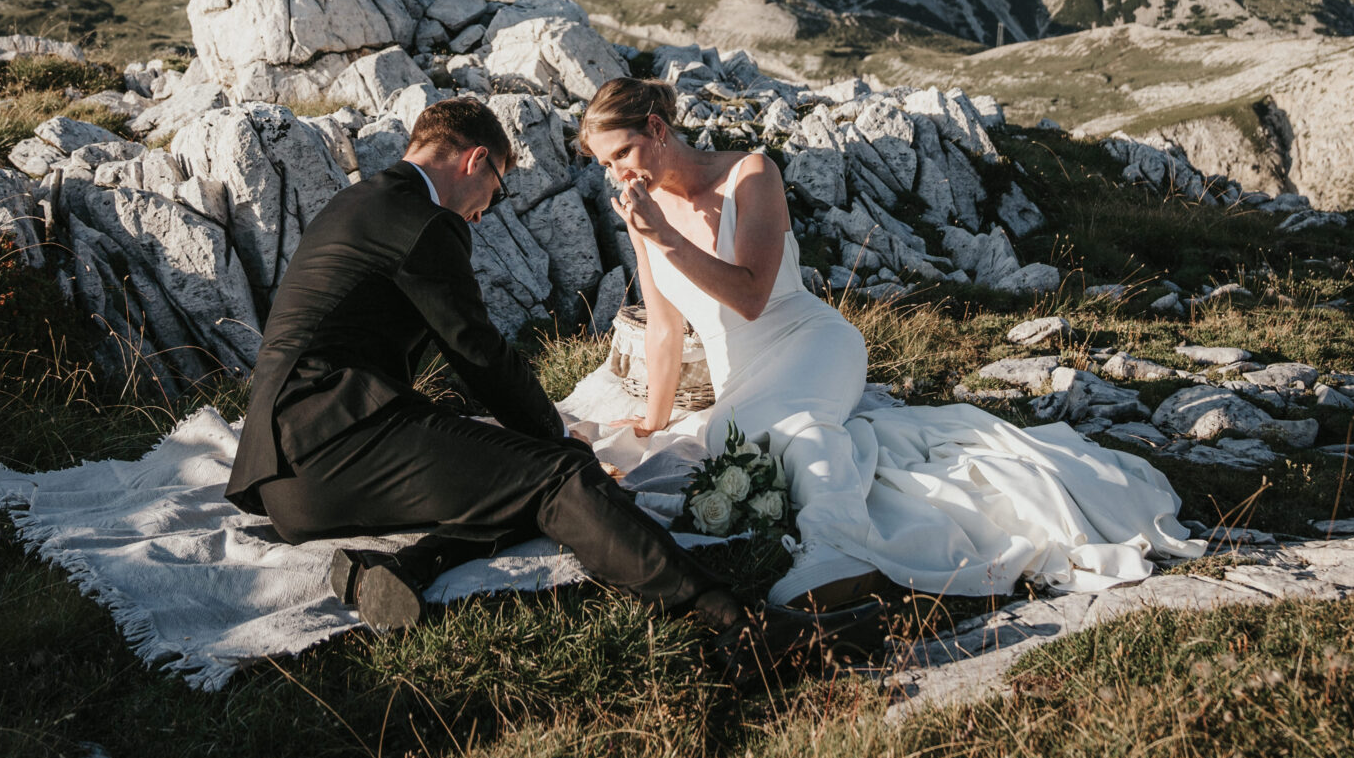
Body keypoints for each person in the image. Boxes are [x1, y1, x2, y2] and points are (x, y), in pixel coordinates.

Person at [224, 95, 877, 674]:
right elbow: (479, 353)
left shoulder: (361, 201)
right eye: (496, 191)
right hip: (336, 447)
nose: (482, 216)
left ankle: (406, 566)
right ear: (476, 160)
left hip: (285, 476)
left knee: (515, 472)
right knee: (559, 477)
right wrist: (563, 442)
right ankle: (740, 628)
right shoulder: (426, 222)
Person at [575, 77, 1200, 607]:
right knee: (725, 440)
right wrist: (654, 422)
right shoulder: (645, 212)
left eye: (621, 152)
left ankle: (834, 549)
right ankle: (840, 535)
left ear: (657, 128)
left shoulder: (750, 173)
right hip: (742, 375)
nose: (616, 172)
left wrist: (667, 238)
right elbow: (664, 326)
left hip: (809, 341)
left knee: (792, 427)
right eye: (604, 164)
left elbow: (751, 296)